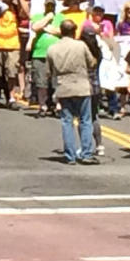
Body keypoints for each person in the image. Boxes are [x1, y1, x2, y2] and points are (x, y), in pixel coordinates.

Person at [48, 20, 99, 165]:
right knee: (85, 120)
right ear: (74, 31)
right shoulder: (80, 45)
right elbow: (92, 63)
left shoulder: (52, 48)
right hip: (81, 86)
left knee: (67, 122)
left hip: (63, 87)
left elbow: (50, 71)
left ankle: (70, 156)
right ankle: (86, 153)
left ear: (61, 31)